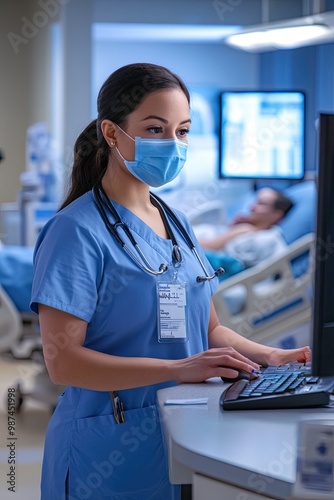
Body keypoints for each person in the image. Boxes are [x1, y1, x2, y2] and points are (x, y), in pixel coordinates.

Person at [30, 63, 310, 500]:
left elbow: (210, 329)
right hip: (108, 444)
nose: (173, 144)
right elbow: (62, 361)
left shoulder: (175, 221)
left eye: (182, 131)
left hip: (185, 432)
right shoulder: (75, 231)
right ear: (111, 132)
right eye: (156, 129)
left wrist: (273, 356)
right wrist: (175, 370)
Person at [198, 187, 294, 252]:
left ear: (277, 215)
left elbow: (202, 247)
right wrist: (232, 228)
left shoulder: (248, 231)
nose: (252, 207)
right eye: (256, 201)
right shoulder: (244, 227)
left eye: (261, 204)